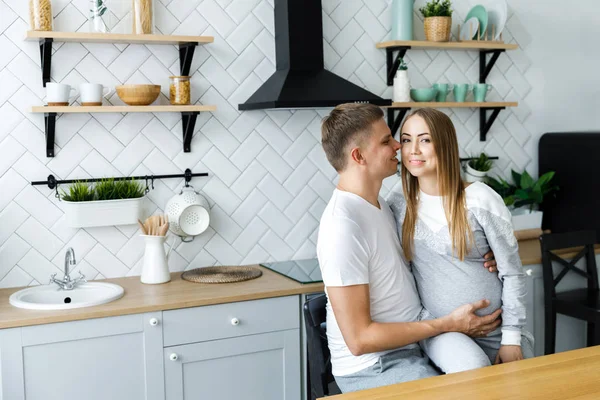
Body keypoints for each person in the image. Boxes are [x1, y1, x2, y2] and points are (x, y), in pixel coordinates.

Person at [316, 103, 502, 393]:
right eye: (386, 141)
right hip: (376, 367)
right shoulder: (343, 226)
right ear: (358, 156)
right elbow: (359, 340)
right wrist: (447, 324)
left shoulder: (384, 205)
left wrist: (487, 257)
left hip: (411, 347)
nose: (397, 147)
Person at [387, 108, 534, 375]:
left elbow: (512, 272)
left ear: (445, 144)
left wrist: (512, 337)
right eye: (407, 139)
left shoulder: (480, 199)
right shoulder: (399, 201)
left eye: (425, 140)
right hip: (441, 329)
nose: (413, 150)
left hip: (500, 329)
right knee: (473, 371)